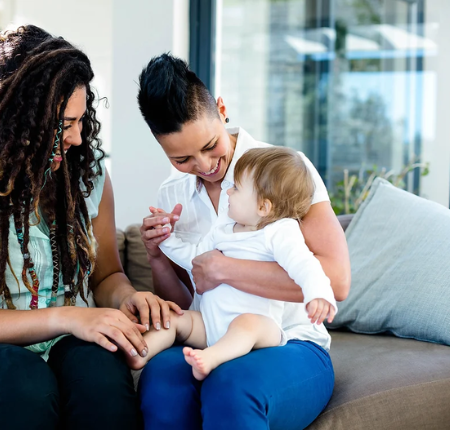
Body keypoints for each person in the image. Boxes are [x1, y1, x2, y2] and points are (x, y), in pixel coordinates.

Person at [0, 25, 181, 430]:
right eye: (65, 125)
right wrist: (70, 317)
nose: (79, 139)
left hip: (69, 339)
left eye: (82, 121)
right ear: (19, 119)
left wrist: (128, 297)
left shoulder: (87, 174)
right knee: (24, 384)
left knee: (101, 378)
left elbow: (107, 276)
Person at [137, 53, 351, 429]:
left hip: (288, 340)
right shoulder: (173, 195)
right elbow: (187, 305)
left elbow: (337, 281)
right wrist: (156, 256)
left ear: (222, 111)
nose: (204, 166)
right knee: (161, 384)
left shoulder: (283, 171)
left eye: (210, 145)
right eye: (183, 158)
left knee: (232, 386)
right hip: (212, 335)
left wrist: (226, 269)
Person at [126, 146, 337, 381]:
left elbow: (304, 264)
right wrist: (165, 238)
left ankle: (211, 358)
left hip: (260, 331)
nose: (227, 193)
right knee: (177, 319)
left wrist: (318, 293)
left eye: (236, 188)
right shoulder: (223, 229)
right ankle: (138, 353)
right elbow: (194, 257)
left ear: (263, 207)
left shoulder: (280, 232)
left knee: (248, 323)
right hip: (211, 326)